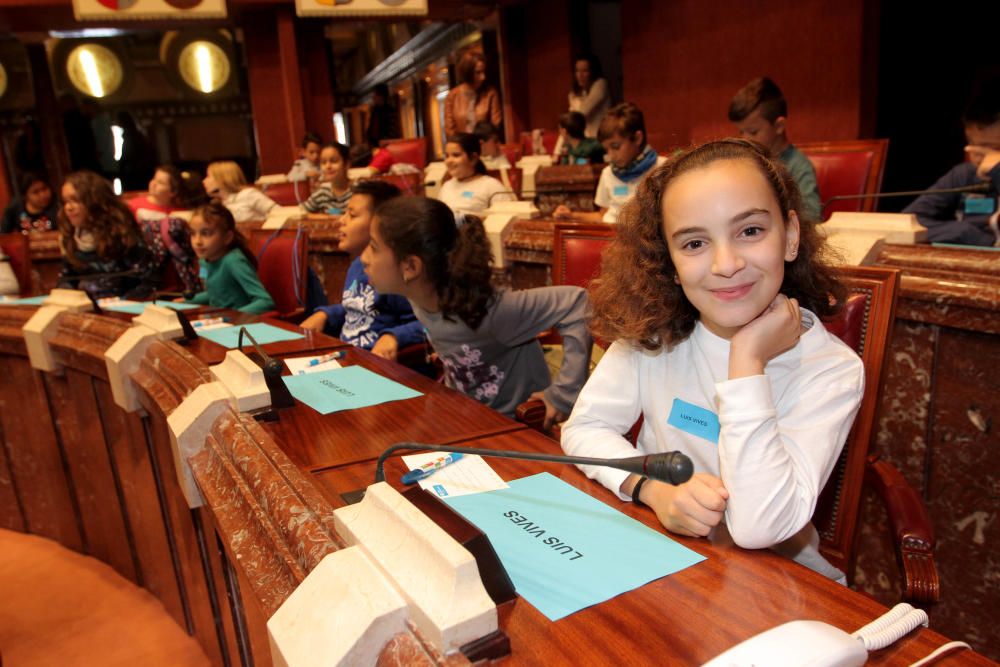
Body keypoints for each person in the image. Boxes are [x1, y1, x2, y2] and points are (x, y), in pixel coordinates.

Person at [561, 139, 864, 581]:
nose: (726, 264)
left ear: (791, 236)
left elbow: (760, 526)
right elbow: (585, 429)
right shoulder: (657, 333)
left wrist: (747, 360)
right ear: (670, 260)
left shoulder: (830, 369)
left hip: (778, 581)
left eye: (751, 231)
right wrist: (650, 488)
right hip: (661, 558)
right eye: (695, 242)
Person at [360, 196, 591, 425]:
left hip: (513, 428)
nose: (364, 258)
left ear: (410, 267)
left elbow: (577, 303)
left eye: (373, 247)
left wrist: (564, 395)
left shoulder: (492, 312)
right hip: (463, 416)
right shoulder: (419, 295)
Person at [300, 181, 421, 360]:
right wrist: (326, 314)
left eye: (352, 215)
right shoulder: (357, 265)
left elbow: (427, 322)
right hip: (348, 357)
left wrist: (394, 337)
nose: (342, 220)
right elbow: (360, 306)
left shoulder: (396, 272)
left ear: (378, 224)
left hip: (378, 366)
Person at [902, 80, 1000, 246]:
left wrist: (998, 171)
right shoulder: (964, 174)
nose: (979, 158)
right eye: (974, 147)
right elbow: (908, 222)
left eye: (993, 149)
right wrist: (965, 233)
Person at [728, 77, 821, 222]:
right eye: (741, 132)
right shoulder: (747, 163)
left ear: (779, 126)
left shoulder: (799, 167)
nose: (744, 139)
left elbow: (812, 218)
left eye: (753, 132)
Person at [553, 102, 665, 223]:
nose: (611, 156)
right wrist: (571, 215)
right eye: (607, 150)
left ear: (637, 138)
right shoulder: (607, 173)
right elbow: (602, 215)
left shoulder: (663, 169)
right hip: (611, 236)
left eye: (616, 146)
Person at [56, 170, 157, 299]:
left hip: (124, 307)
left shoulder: (121, 233)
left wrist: (122, 302)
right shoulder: (71, 236)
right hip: (89, 308)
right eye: (65, 201)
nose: (68, 208)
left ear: (95, 201)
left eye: (75, 200)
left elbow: (149, 281)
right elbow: (67, 279)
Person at [183, 202, 275, 314]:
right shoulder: (204, 260)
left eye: (206, 233)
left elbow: (265, 301)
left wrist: (233, 317)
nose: (197, 241)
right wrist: (184, 302)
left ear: (227, 237)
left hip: (239, 326)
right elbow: (216, 293)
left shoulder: (233, 261)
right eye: (193, 234)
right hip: (218, 321)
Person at [127, 166, 203, 295]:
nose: (153, 184)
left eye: (161, 183)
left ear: (173, 191)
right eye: (154, 179)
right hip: (145, 259)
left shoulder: (180, 212)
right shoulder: (133, 205)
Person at [436, 133, 513, 215]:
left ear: (473, 158)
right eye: (447, 156)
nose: (449, 161)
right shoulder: (446, 186)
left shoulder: (491, 186)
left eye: (456, 155)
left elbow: (505, 219)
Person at [444, 51, 502, 137]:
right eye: (478, 72)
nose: (483, 77)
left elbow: (495, 125)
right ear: (467, 72)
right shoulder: (452, 96)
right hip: (461, 147)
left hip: (486, 146)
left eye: (483, 72)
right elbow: (450, 131)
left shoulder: (490, 93)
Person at [203, 161, 278, 223]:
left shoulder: (248, 194)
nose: (204, 181)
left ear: (223, 178)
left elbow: (279, 213)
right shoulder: (216, 205)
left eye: (208, 176)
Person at [568, 54, 612, 139]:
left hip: (600, 139)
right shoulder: (577, 92)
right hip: (584, 140)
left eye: (585, 71)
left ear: (593, 72)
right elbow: (570, 120)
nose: (580, 75)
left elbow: (581, 114)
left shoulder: (600, 84)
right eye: (577, 71)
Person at [302, 143, 352, 215]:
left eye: (334, 161)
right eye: (323, 162)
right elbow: (303, 214)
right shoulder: (322, 192)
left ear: (347, 164)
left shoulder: (358, 192)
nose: (328, 166)